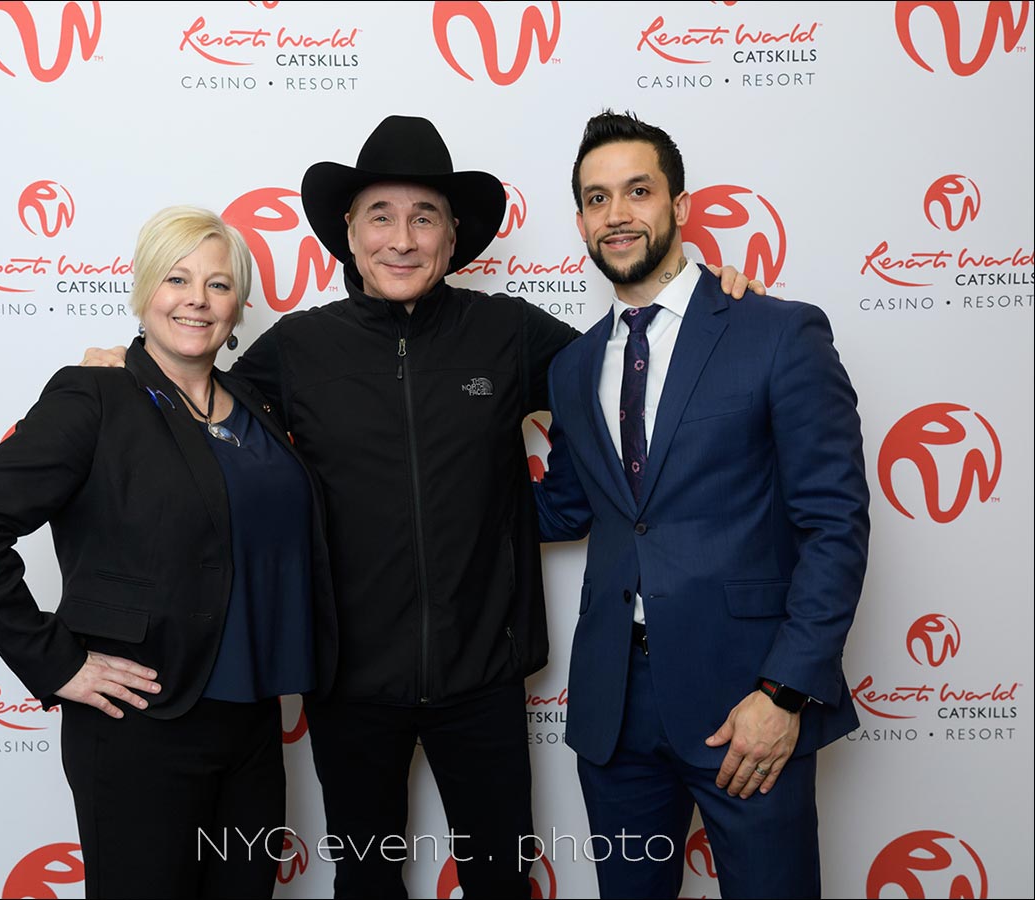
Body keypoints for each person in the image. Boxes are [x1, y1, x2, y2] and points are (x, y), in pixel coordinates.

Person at [82, 116, 760, 898]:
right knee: (367, 885)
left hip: (484, 681)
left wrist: (716, 299)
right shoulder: (301, 348)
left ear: (451, 236)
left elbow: (628, 373)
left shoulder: (503, 330)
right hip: (349, 687)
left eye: (423, 217)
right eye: (380, 215)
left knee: (502, 882)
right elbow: (194, 402)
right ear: (349, 231)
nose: (400, 238)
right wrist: (126, 371)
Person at [0, 206, 334, 899]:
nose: (197, 300)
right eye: (178, 279)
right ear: (144, 290)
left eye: (219, 284)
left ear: (239, 307)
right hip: (142, 726)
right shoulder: (95, 395)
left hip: (255, 725)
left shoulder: (255, 403)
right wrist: (58, 664)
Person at [533, 110, 870, 899]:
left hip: (745, 701)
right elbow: (568, 509)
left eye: (637, 191)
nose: (616, 214)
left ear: (679, 205)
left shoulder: (777, 333)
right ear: (580, 218)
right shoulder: (573, 366)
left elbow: (834, 524)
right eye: (595, 198)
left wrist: (784, 692)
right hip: (614, 711)